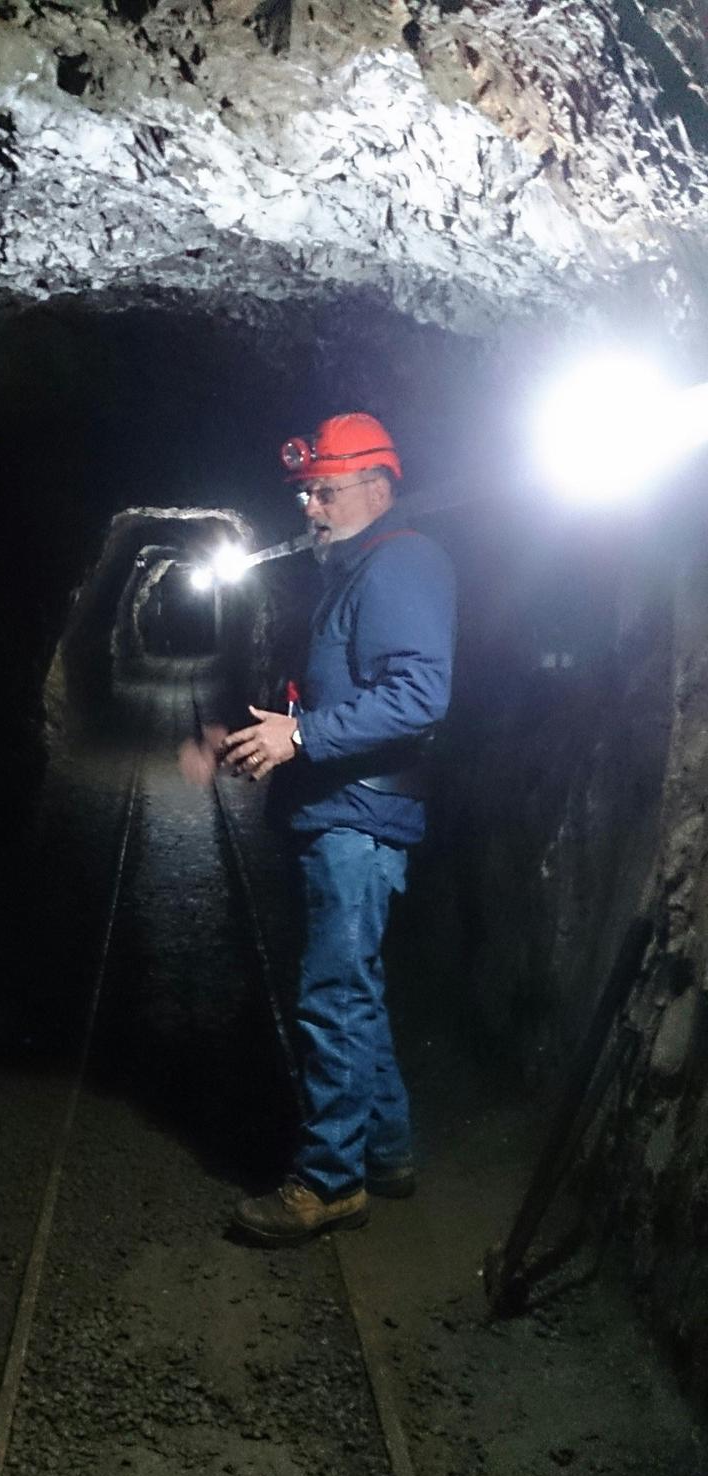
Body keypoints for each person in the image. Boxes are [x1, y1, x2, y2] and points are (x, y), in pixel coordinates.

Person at [216, 412, 456, 1244]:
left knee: (331, 999)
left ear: (378, 488)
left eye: (325, 490)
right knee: (354, 990)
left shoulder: (402, 562)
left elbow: (419, 695)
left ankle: (329, 1181)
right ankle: (384, 1152)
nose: (310, 507)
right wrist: (282, 729)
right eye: (307, 491)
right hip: (341, 812)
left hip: (360, 820)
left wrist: (305, 737)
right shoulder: (353, 570)